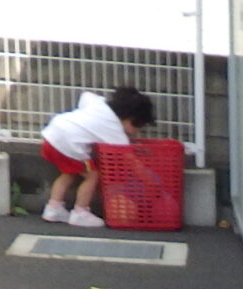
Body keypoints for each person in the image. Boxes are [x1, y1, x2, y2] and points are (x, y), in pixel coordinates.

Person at [37, 83, 156, 228]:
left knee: (69, 173)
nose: (135, 132)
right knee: (92, 176)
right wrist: (149, 179)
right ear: (129, 119)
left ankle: (53, 208)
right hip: (70, 144)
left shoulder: (99, 103)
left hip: (51, 135)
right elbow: (130, 160)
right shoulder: (115, 132)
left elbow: (85, 96)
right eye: (137, 127)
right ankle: (80, 212)